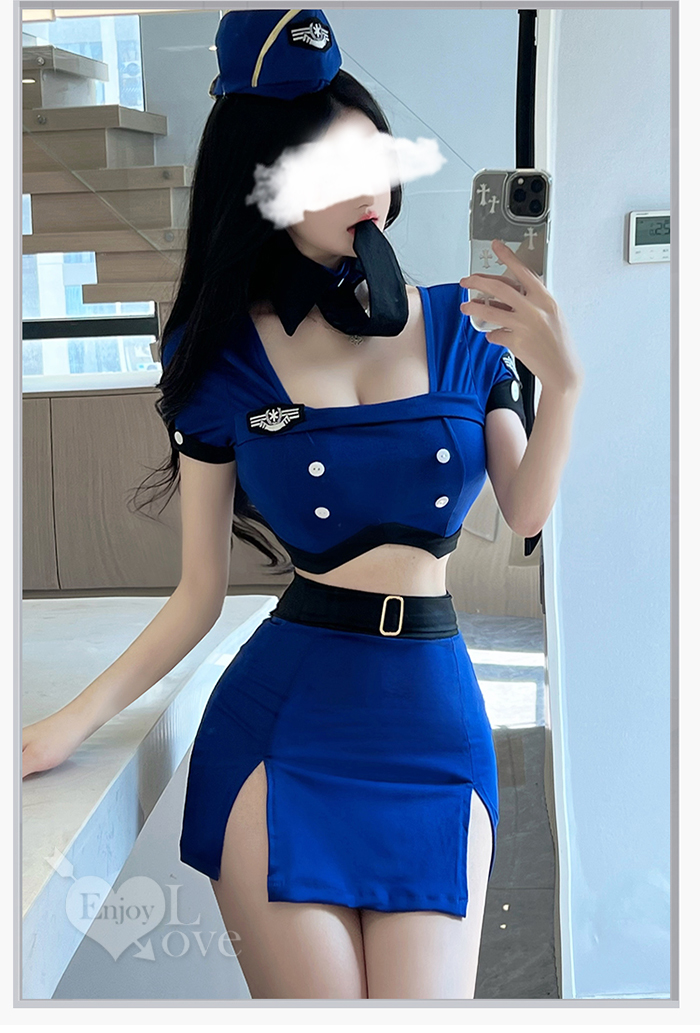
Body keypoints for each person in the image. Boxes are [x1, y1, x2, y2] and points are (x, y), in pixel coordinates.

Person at [22, 9, 584, 1001]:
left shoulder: (463, 323)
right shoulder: (223, 358)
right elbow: (198, 593)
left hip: (433, 723)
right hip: (283, 725)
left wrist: (563, 385)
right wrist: (62, 727)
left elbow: (526, 510)